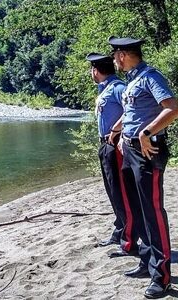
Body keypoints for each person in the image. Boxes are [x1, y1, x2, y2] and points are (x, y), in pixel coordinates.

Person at [108, 36, 178, 299]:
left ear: (123, 54)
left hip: (148, 152)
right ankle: (147, 263)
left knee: (152, 211)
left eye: (115, 55)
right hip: (130, 152)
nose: (114, 60)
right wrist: (121, 135)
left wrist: (145, 133)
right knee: (137, 209)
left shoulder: (150, 76)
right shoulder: (132, 80)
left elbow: (172, 108)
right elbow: (132, 112)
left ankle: (162, 278)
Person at [85, 52, 138, 257]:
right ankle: (120, 229)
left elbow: (131, 111)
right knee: (112, 191)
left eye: (92, 69)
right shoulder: (105, 89)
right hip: (105, 144)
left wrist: (116, 130)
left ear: (96, 70)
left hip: (115, 145)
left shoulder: (118, 88)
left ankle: (129, 237)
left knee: (122, 192)